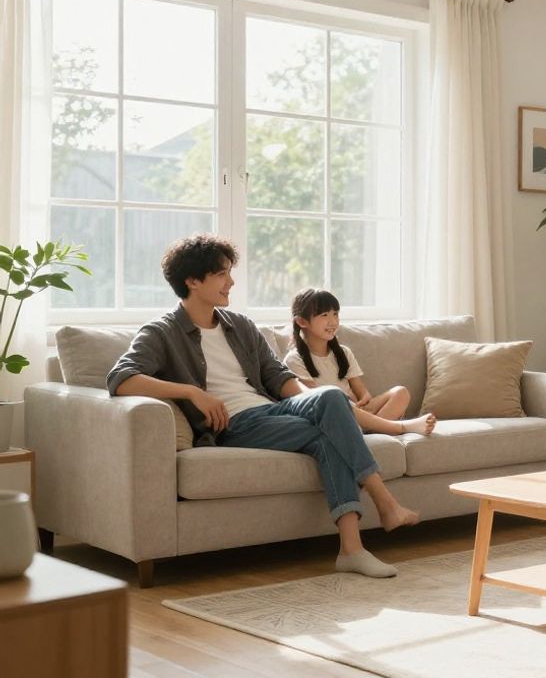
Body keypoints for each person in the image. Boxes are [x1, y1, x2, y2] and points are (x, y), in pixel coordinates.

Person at [107, 234, 419, 578]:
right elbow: (120, 379)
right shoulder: (161, 332)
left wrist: (310, 399)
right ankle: (382, 507)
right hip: (232, 425)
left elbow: (278, 376)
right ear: (193, 281)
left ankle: (351, 550)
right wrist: (191, 392)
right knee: (331, 410)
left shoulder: (239, 325)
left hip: (270, 411)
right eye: (222, 274)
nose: (232, 281)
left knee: (329, 404)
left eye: (230, 272)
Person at [284, 287, 436, 436]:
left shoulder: (343, 352)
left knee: (400, 392)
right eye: (324, 315)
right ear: (302, 322)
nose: (333, 321)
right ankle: (397, 427)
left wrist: (364, 398)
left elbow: (361, 391)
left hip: (356, 411)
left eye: (335, 314)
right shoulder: (295, 359)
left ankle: (366, 430)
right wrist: (348, 405)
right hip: (331, 414)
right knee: (339, 402)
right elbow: (316, 400)